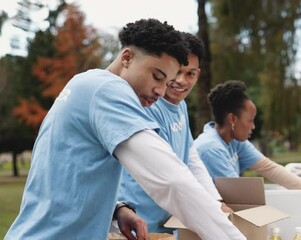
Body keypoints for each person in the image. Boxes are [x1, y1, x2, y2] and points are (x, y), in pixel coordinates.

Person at [5, 19, 245, 240]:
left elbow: (66, 171)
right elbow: (171, 181)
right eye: (157, 76)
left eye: (166, 82)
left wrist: (115, 208)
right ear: (127, 57)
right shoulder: (109, 91)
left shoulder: (83, 83)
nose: (161, 91)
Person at [117, 32, 232, 233]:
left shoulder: (181, 106)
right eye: (177, 72)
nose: (181, 81)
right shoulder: (148, 106)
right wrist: (213, 213)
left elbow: (191, 158)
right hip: (137, 224)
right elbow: (172, 176)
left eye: (191, 74)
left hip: (169, 222)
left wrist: (216, 200)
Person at [194, 80, 301, 190]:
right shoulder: (210, 149)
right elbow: (238, 194)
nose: (253, 126)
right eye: (250, 120)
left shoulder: (234, 141)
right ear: (232, 119)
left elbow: (268, 168)